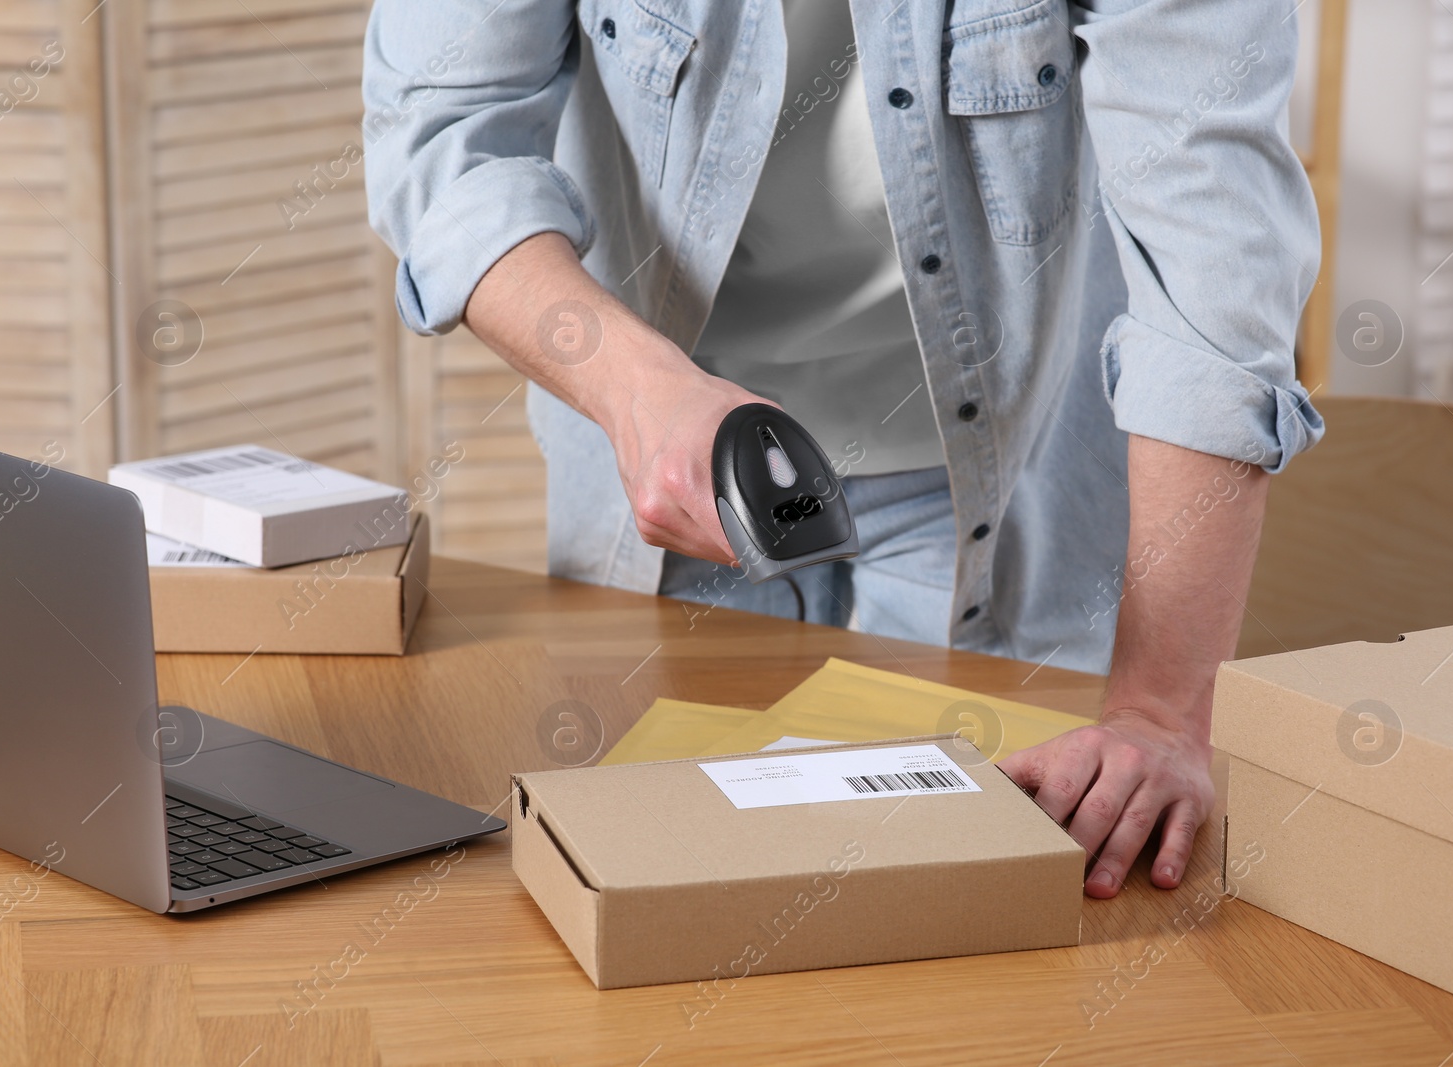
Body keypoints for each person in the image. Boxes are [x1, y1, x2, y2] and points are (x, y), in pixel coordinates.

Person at [363, 0, 1324, 899]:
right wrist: (636, 392)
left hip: (1008, 499)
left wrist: (1158, 711)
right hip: (666, 485)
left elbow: (1215, 242)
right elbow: (445, 139)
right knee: (663, 907)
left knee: (981, 933)